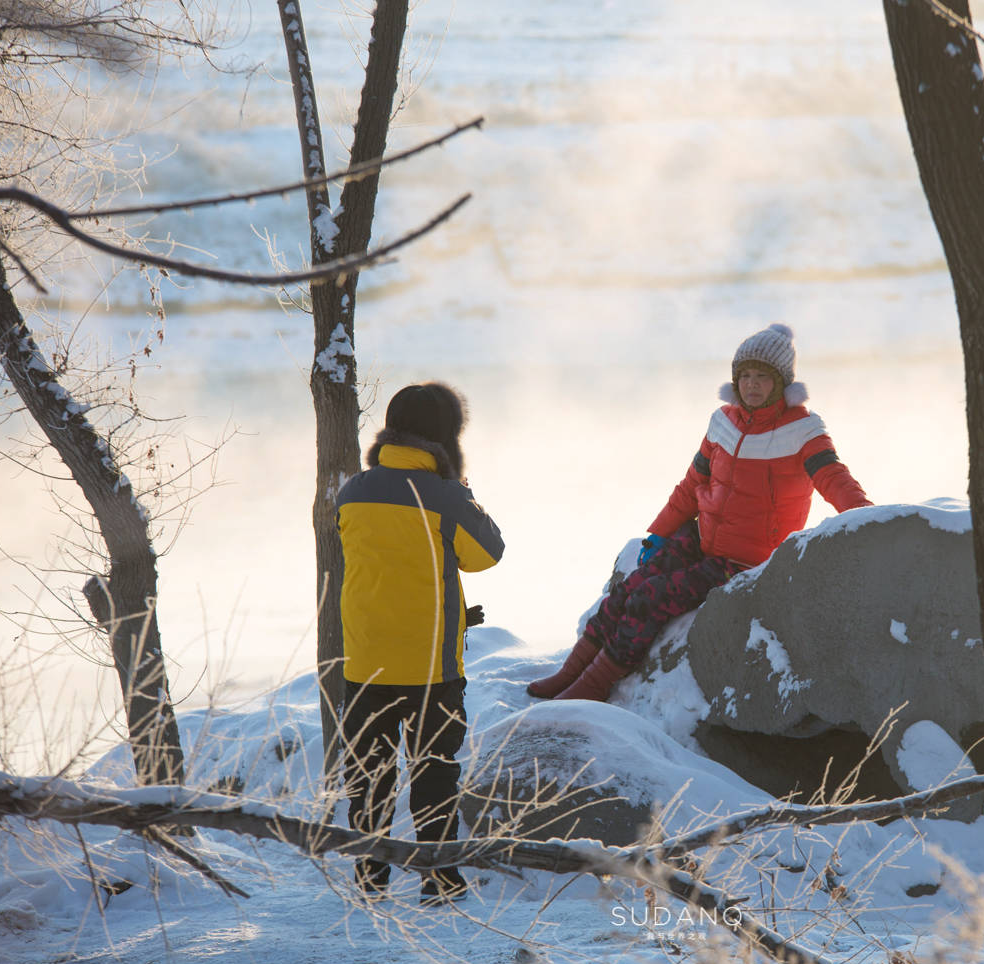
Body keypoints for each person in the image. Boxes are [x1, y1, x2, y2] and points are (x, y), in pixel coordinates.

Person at [527, 323, 871, 703]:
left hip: (745, 560)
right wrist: (659, 533)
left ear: (782, 383)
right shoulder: (723, 421)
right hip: (704, 539)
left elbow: (834, 479)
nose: (752, 385)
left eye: (763, 377)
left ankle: (593, 686)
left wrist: (871, 521)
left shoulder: (803, 431)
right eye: (745, 376)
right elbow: (692, 485)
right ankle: (571, 671)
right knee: (631, 586)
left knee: (651, 597)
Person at [336, 381, 504, 904]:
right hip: (432, 663)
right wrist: (463, 493)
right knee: (434, 772)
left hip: (365, 659)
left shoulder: (353, 491)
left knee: (369, 771)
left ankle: (371, 877)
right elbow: (487, 554)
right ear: (445, 437)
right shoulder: (446, 497)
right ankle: (439, 879)